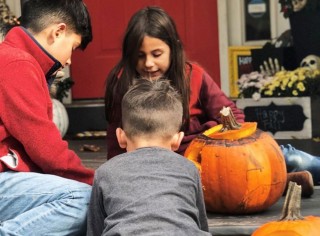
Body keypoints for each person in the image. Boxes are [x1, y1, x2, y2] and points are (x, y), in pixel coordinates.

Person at [0, 0, 94, 235]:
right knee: (85, 199)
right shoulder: (17, 63)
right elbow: (47, 151)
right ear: (58, 31)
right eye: (73, 46)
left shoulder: (15, 59)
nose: (70, 60)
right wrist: (98, 183)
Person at [104, 6, 245, 160]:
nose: (149, 63)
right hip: (141, 163)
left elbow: (233, 116)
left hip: (194, 158)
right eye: (140, 56)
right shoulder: (122, 82)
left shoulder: (193, 76)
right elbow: (115, 139)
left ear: (173, 48)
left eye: (157, 54)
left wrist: (207, 131)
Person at [88, 78, 210, 236]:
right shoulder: (188, 168)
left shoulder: (105, 172)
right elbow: (200, 224)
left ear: (120, 137)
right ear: (177, 140)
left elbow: (95, 230)